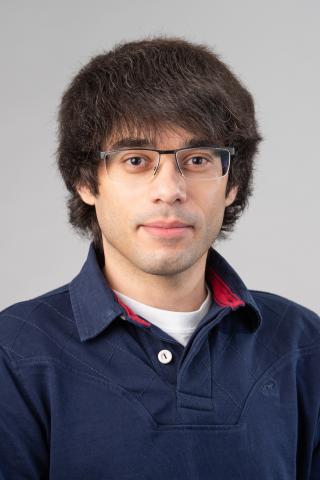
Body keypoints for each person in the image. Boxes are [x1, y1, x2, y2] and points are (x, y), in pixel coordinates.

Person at [0, 36, 319, 480]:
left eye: (198, 159)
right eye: (135, 159)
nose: (169, 189)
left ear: (231, 185)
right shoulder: (14, 353)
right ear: (86, 183)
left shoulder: (305, 346)